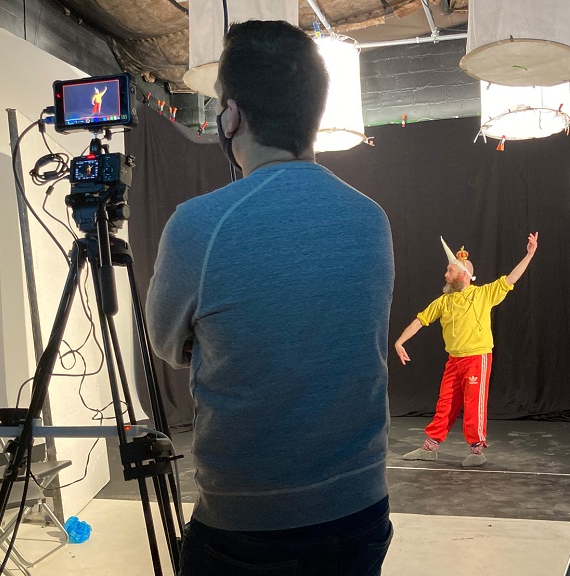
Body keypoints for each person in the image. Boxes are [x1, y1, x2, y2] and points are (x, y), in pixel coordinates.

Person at [145, 20, 395, 576]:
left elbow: (166, 343)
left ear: (229, 115)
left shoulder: (198, 225)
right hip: (359, 512)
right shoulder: (370, 219)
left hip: (246, 528)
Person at [394, 233, 538, 467]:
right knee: (446, 403)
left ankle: (477, 450)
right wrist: (399, 342)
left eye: (449, 270)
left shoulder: (482, 294)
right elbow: (420, 320)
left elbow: (510, 279)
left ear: (462, 274)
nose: (445, 274)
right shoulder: (444, 301)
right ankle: (430, 447)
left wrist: (529, 254)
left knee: (473, 404)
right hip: (454, 360)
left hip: (476, 357)